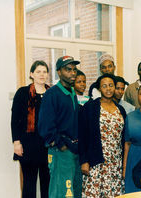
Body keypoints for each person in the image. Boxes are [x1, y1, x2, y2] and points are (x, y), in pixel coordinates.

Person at [38, 55, 82, 198]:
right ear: (59, 72)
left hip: (74, 151)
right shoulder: (52, 94)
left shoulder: (72, 92)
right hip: (60, 151)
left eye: (74, 70)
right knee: (61, 192)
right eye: (68, 69)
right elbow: (45, 126)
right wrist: (60, 144)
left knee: (74, 192)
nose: (72, 73)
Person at [78, 73, 126, 197]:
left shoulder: (120, 109)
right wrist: (84, 161)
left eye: (111, 85)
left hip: (115, 163)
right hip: (96, 161)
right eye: (104, 86)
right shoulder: (90, 107)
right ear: (99, 89)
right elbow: (82, 136)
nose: (108, 89)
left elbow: (124, 137)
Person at [11, 60, 50, 198]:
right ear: (31, 74)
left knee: (47, 183)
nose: (42, 74)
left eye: (44, 71)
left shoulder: (52, 93)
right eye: (38, 71)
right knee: (29, 183)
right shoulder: (22, 93)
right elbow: (15, 120)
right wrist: (16, 142)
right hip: (28, 145)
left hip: (48, 145)